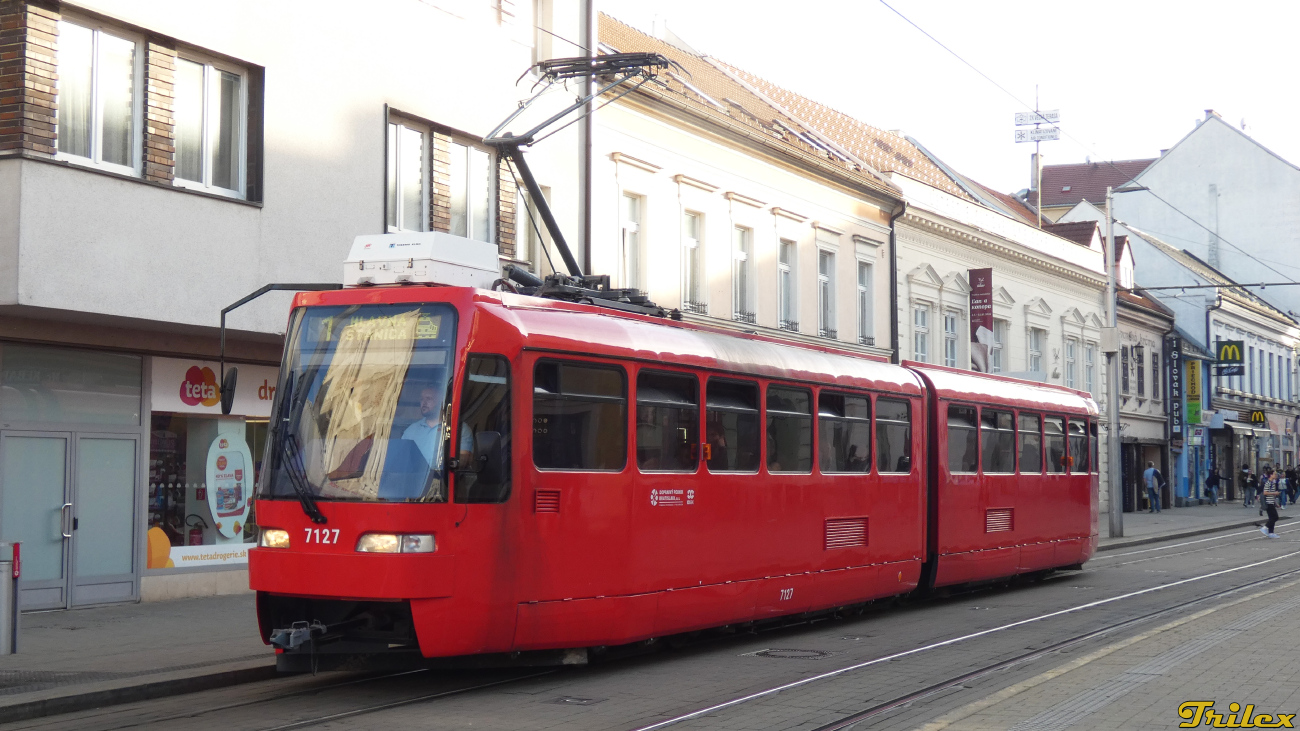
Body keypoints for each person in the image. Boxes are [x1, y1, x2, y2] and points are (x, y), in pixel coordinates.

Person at [1260, 466, 1282, 538]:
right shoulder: (1268, 483)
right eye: (1275, 474)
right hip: (1268, 503)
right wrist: (1274, 493)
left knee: (1272, 517)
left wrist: (1276, 503)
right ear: (1271, 475)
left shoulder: (1272, 483)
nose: (1276, 475)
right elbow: (1265, 493)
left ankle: (1271, 533)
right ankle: (1265, 528)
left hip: (1271, 502)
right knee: (1275, 517)